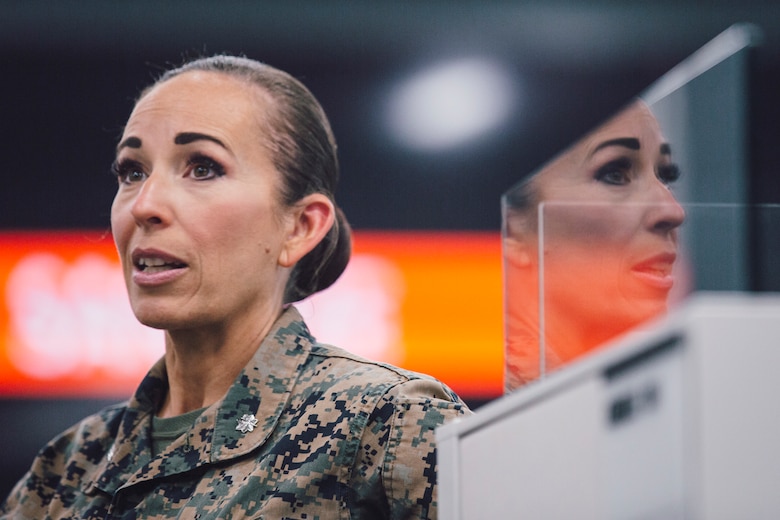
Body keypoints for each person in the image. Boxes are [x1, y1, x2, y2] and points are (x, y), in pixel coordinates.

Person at [0, 55, 471, 519]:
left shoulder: (387, 425)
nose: (144, 205)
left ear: (301, 227)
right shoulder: (65, 470)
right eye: (132, 171)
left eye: (202, 167)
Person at [503, 100, 686, 391]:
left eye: (666, 176)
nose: (673, 211)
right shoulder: (455, 416)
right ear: (512, 228)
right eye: (614, 174)